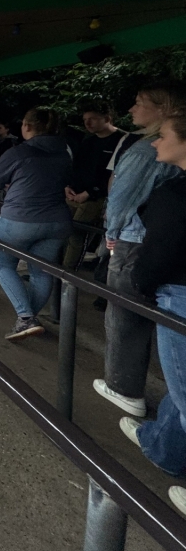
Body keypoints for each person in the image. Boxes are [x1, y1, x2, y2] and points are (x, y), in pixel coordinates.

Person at [95, 81, 186, 417]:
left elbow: (122, 196)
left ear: (163, 109)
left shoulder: (146, 149)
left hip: (132, 239)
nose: (132, 109)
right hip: (160, 240)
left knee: (122, 314)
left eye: (139, 102)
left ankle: (123, 387)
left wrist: (111, 231)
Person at [118, 112, 186, 505]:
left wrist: (142, 284)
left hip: (178, 292)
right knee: (179, 386)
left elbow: (158, 251)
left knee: (183, 385)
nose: (155, 143)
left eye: (162, 136)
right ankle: (163, 448)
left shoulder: (174, 195)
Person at [0, 108, 73, 340]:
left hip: (19, 218)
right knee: (42, 271)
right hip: (57, 220)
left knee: (2, 262)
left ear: (27, 126)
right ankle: (27, 320)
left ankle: (26, 317)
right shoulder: (64, 152)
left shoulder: (19, 152)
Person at [62, 101, 123, 269]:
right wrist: (68, 185)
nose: (87, 123)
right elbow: (77, 166)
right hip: (74, 193)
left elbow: (117, 175)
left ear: (107, 119)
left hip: (97, 197)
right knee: (62, 232)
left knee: (76, 235)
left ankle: (66, 275)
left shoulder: (122, 140)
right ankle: (54, 271)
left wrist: (90, 192)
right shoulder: (88, 141)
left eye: (93, 119)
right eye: (85, 119)